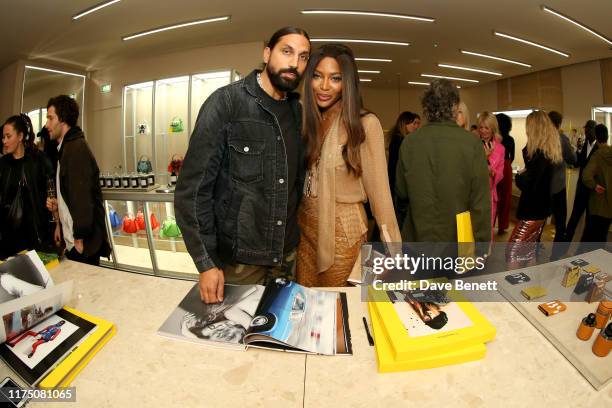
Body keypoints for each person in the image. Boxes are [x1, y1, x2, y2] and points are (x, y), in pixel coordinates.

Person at [174, 27, 311, 303]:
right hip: (240, 263)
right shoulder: (226, 103)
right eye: (287, 51)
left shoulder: (297, 112)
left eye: (303, 57)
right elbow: (192, 190)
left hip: (286, 257)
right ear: (267, 53)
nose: (294, 63)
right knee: (233, 336)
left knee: (275, 334)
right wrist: (206, 262)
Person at [297, 43, 401, 287]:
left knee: (336, 309)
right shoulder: (308, 120)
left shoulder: (365, 123)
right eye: (317, 76)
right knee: (304, 307)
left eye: (335, 78)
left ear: (348, 83)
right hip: (305, 231)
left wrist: (394, 252)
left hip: (344, 233)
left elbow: (381, 195)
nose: (324, 86)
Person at [396, 79, 491, 245]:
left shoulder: (409, 143)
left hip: (417, 239)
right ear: (455, 107)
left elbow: (401, 193)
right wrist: (481, 245)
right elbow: (480, 203)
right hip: (458, 242)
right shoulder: (472, 143)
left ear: (426, 108)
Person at [45, 95, 111, 266]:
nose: (47, 125)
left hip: (82, 245)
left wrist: (79, 239)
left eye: (50, 118)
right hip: (74, 242)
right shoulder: (67, 148)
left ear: (63, 120)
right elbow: (70, 194)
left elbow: (82, 198)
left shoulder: (75, 149)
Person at [507, 111, 562, 268]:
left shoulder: (540, 155)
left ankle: (514, 286)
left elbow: (528, 183)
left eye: (528, 127)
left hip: (532, 211)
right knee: (529, 251)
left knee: (512, 251)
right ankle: (529, 287)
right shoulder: (546, 151)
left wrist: (519, 175)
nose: (526, 130)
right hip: (540, 211)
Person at [0, 114, 54, 258]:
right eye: (3, 137)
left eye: (8, 136)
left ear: (20, 136)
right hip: (8, 241)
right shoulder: (3, 165)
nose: (4, 141)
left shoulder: (38, 161)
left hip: (35, 238)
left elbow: (51, 195)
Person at [547, 111, 577, 250]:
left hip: (543, 187)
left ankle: (532, 252)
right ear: (559, 123)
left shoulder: (542, 138)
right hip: (558, 187)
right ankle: (557, 254)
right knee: (560, 222)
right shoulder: (562, 139)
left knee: (539, 222)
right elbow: (573, 159)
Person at [565, 120, 598, 241]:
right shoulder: (583, 145)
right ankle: (564, 246)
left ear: (594, 131)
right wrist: (576, 151)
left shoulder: (599, 147)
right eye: (585, 129)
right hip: (581, 189)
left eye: (588, 129)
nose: (586, 131)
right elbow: (577, 163)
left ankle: (583, 249)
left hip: (592, 191)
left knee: (589, 221)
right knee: (574, 217)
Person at [580, 124, 611, 246]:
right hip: (610, 206)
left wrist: (594, 186)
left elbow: (586, 176)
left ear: (596, 137)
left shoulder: (597, 155)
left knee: (593, 237)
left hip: (598, 205)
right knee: (603, 236)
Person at [478, 112, 505, 240]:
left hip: (489, 195)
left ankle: (485, 255)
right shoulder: (473, 145)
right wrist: (484, 159)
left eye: (486, 128)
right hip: (474, 193)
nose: (483, 131)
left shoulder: (500, 149)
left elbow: (500, 172)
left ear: (493, 128)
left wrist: (493, 172)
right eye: (481, 127)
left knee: (488, 229)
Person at [387, 111, 419, 208]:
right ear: (405, 124)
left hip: (394, 181)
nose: (415, 127)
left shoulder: (397, 139)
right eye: (413, 123)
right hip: (397, 183)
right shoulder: (400, 141)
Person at [495, 113, 515, 235]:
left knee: (493, 197)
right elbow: (512, 156)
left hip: (494, 167)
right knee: (505, 199)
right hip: (506, 167)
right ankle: (502, 226)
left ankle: (491, 224)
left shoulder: (494, 138)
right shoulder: (510, 139)